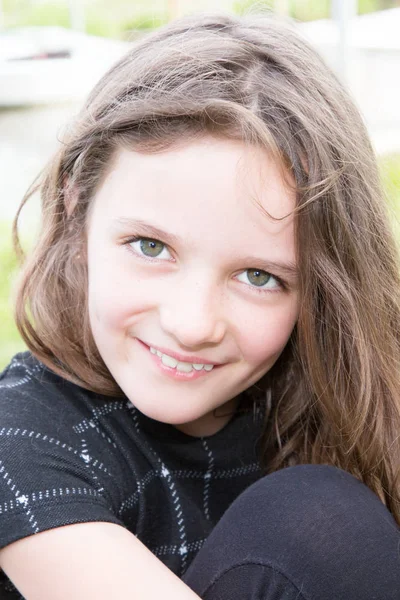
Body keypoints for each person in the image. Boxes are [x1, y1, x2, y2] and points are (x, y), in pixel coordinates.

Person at [0, 10, 399, 600]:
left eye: (259, 277)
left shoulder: (326, 406)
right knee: (321, 522)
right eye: (150, 246)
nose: (190, 325)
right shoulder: (24, 439)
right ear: (78, 205)